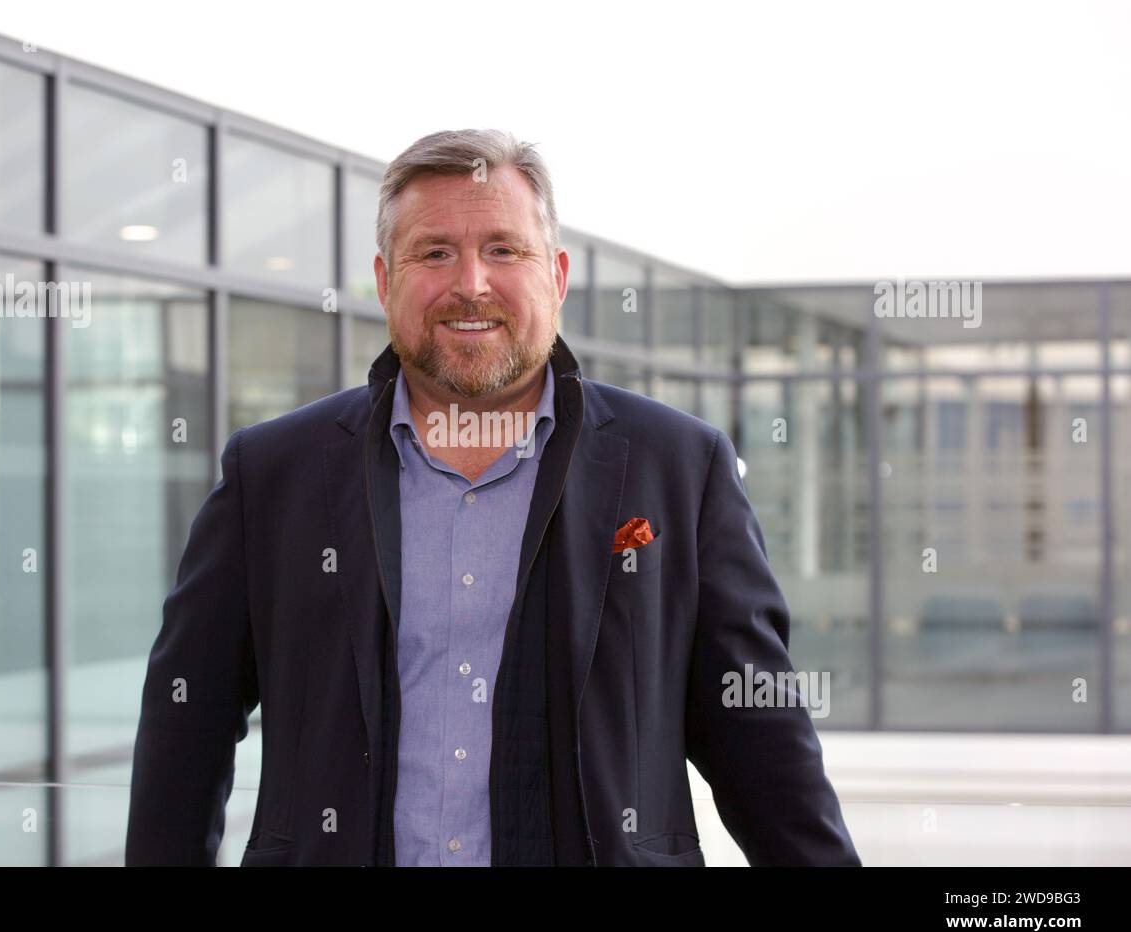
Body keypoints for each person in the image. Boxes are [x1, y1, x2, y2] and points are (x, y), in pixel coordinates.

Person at [125, 128, 861, 866]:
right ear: (385, 281)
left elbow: (761, 745)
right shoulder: (274, 472)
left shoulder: (679, 467)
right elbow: (185, 723)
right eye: (435, 252)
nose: (471, 283)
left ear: (557, 275)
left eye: (504, 250)